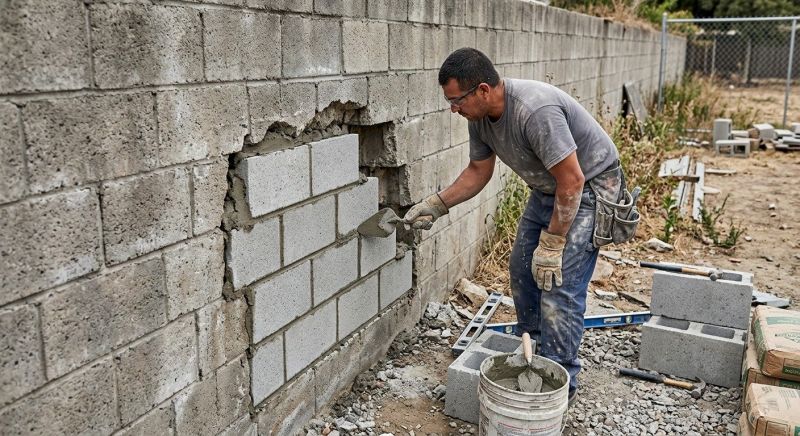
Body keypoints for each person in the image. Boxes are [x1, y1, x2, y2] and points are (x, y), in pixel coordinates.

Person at [404, 47, 626, 406]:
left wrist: (553, 244)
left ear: (482, 91)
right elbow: (479, 171)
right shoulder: (478, 118)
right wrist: (437, 205)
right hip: (548, 190)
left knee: (559, 287)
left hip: (590, 190)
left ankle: (559, 385)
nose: (453, 108)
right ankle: (534, 356)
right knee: (523, 270)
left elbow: (572, 181)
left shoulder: (534, 111)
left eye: (456, 100)